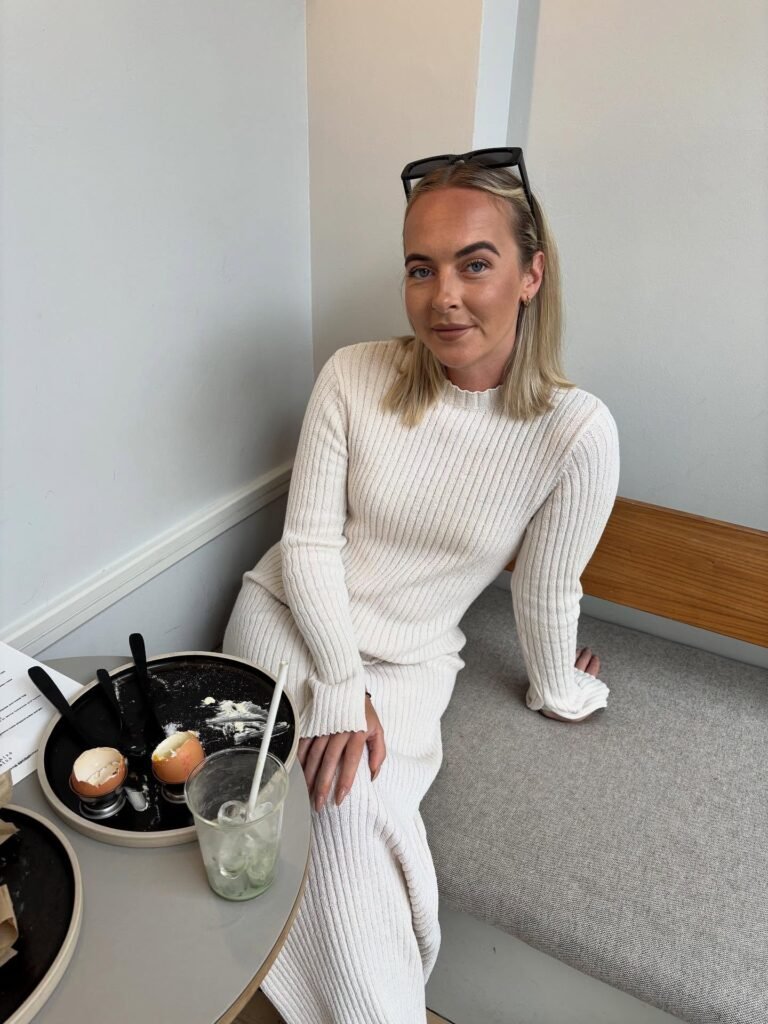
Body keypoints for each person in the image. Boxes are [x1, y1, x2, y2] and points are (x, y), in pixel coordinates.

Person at [223, 148, 620, 1024]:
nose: (444, 295)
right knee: (320, 792)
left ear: (531, 273)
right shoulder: (352, 375)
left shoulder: (575, 432)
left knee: (347, 812)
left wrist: (561, 688)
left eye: (475, 264)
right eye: (421, 268)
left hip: (407, 665)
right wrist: (334, 684)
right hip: (287, 623)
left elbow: (549, 589)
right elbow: (309, 541)